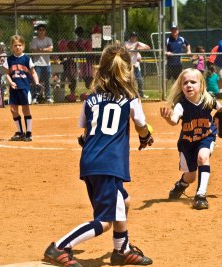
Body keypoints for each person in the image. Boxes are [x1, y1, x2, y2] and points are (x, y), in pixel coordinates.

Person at [43, 44, 153, 266]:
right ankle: (59, 247)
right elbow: (142, 127)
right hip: (110, 163)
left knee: (124, 200)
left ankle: (121, 250)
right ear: (127, 71)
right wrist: (146, 135)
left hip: (90, 161)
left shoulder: (90, 98)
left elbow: (86, 132)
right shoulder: (131, 97)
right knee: (104, 221)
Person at [160, 68, 222, 210]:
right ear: (181, 87)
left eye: (193, 82)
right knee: (191, 176)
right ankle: (181, 185)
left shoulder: (209, 99)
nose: (189, 85)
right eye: (185, 83)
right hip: (187, 143)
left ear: (201, 85)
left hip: (206, 136)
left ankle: (200, 196)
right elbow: (174, 120)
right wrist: (168, 118)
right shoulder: (181, 104)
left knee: (203, 157)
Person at [3, 35, 40, 142]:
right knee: (13, 110)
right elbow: (7, 74)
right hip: (14, 88)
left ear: (23, 46)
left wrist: (36, 82)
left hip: (24, 88)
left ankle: (28, 133)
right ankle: (20, 132)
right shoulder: (9, 60)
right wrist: (11, 82)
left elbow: (33, 72)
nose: (17, 47)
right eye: (15, 45)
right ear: (11, 47)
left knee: (25, 110)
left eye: (20, 45)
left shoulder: (26, 59)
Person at [29, 24, 54, 103]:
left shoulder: (48, 39)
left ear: (45, 31)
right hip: (37, 64)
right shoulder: (34, 40)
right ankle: (35, 97)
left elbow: (50, 49)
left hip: (47, 64)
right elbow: (33, 50)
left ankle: (48, 97)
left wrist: (40, 49)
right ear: (37, 31)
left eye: (43, 30)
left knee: (47, 81)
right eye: (40, 30)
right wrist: (44, 50)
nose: (41, 31)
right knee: (36, 82)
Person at [124, 31, 151, 99]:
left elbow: (148, 47)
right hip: (129, 66)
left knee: (140, 81)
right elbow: (127, 48)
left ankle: (141, 94)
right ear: (130, 37)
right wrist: (135, 46)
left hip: (136, 66)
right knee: (129, 81)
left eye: (135, 36)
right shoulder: (126, 43)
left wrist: (139, 48)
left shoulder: (137, 43)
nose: (134, 37)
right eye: (132, 36)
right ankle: (129, 94)